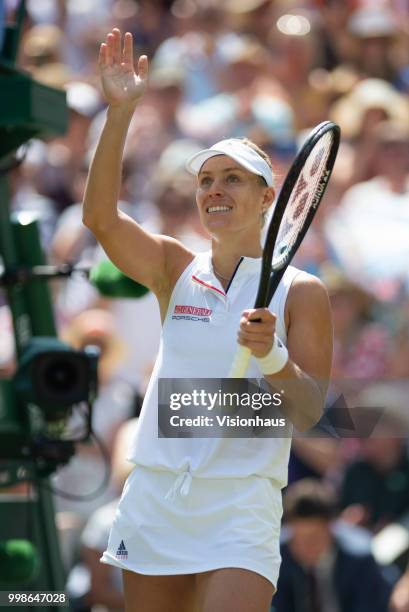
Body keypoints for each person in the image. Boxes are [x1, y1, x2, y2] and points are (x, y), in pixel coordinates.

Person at [82, 28, 332, 612]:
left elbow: (311, 410)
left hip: (241, 507)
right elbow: (99, 217)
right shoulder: (173, 265)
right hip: (157, 499)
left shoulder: (304, 292)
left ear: (269, 197)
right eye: (205, 181)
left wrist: (271, 354)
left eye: (232, 179)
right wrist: (119, 113)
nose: (214, 191)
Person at [272, 478, 392, 612]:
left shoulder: (359, 559)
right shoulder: (275, 559)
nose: (306, 546)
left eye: (314, 537)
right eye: (299, 539)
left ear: (331, 529)